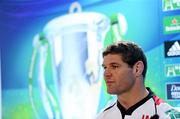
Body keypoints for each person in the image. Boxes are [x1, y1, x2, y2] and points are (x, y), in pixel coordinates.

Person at [96, 41, 180, 119]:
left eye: (114, 66)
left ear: (137, 69)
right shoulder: (102, 116)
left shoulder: (167, 115)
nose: (106, 74)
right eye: (105, 68)